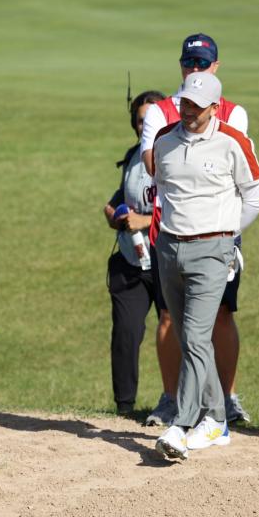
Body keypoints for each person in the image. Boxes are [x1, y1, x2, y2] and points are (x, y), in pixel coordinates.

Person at [141, 33, 252, 426]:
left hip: (220, 235)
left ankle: (225, 397)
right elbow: (153, 164)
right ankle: (172, 398)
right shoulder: (158, 111)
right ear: (181, 65)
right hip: (169, 232)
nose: (195, 70)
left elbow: (241, 177)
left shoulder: (234, 112)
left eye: (202, 64)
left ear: (215, 67)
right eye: (189, 63)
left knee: (220, 315)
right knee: (170, 318)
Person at [152, 72, 259, 461]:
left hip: (213, 250)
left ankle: (181, 426)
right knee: (188, 338)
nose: (188, 112)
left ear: (215, 108)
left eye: (197, 107)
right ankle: (216, 418)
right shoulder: (163, 140)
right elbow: (164, 189)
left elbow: (255, 198)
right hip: (168, 248)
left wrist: (227, 237)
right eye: (185, 104)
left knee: (198, 338)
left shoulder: (233, 142)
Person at [102, 90, 165, 415]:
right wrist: (113, 212)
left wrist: (147, 219)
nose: (145, 126)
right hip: (131, 260)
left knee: (177, 333)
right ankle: (124, 408)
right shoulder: (132, 155)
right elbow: (122, 195)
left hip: (169, 261)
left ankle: (181, 403)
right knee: (126, 333)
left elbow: (192, 207)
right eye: (141, 120)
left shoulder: (177, 154)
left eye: (151, 119)